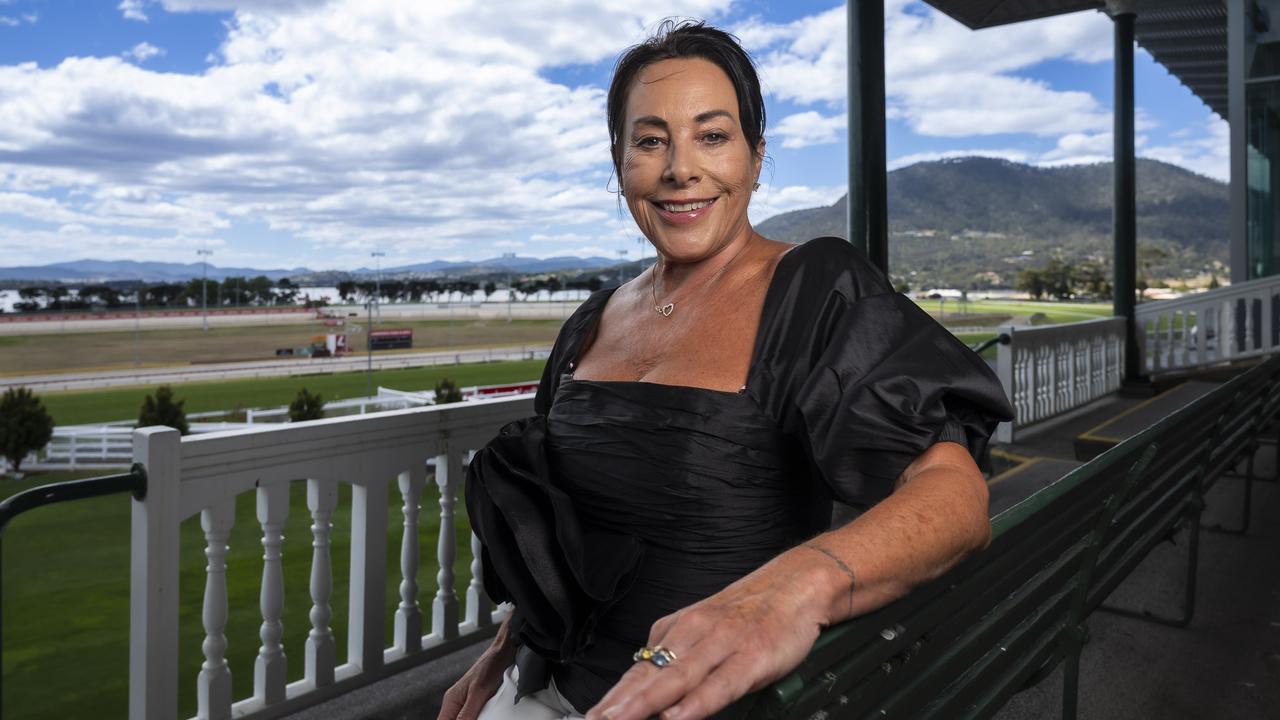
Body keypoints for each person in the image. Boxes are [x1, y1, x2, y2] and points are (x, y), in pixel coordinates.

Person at [441, 20, 1013, 720]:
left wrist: (791, 591)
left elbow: (955, 499)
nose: (682, 168)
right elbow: (574, 537)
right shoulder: (591, 321)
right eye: (651, 141)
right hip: (547, 689)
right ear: (619, 161)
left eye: (712, 135)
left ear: (756, 156)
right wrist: (507, 650)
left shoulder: (815, 291)